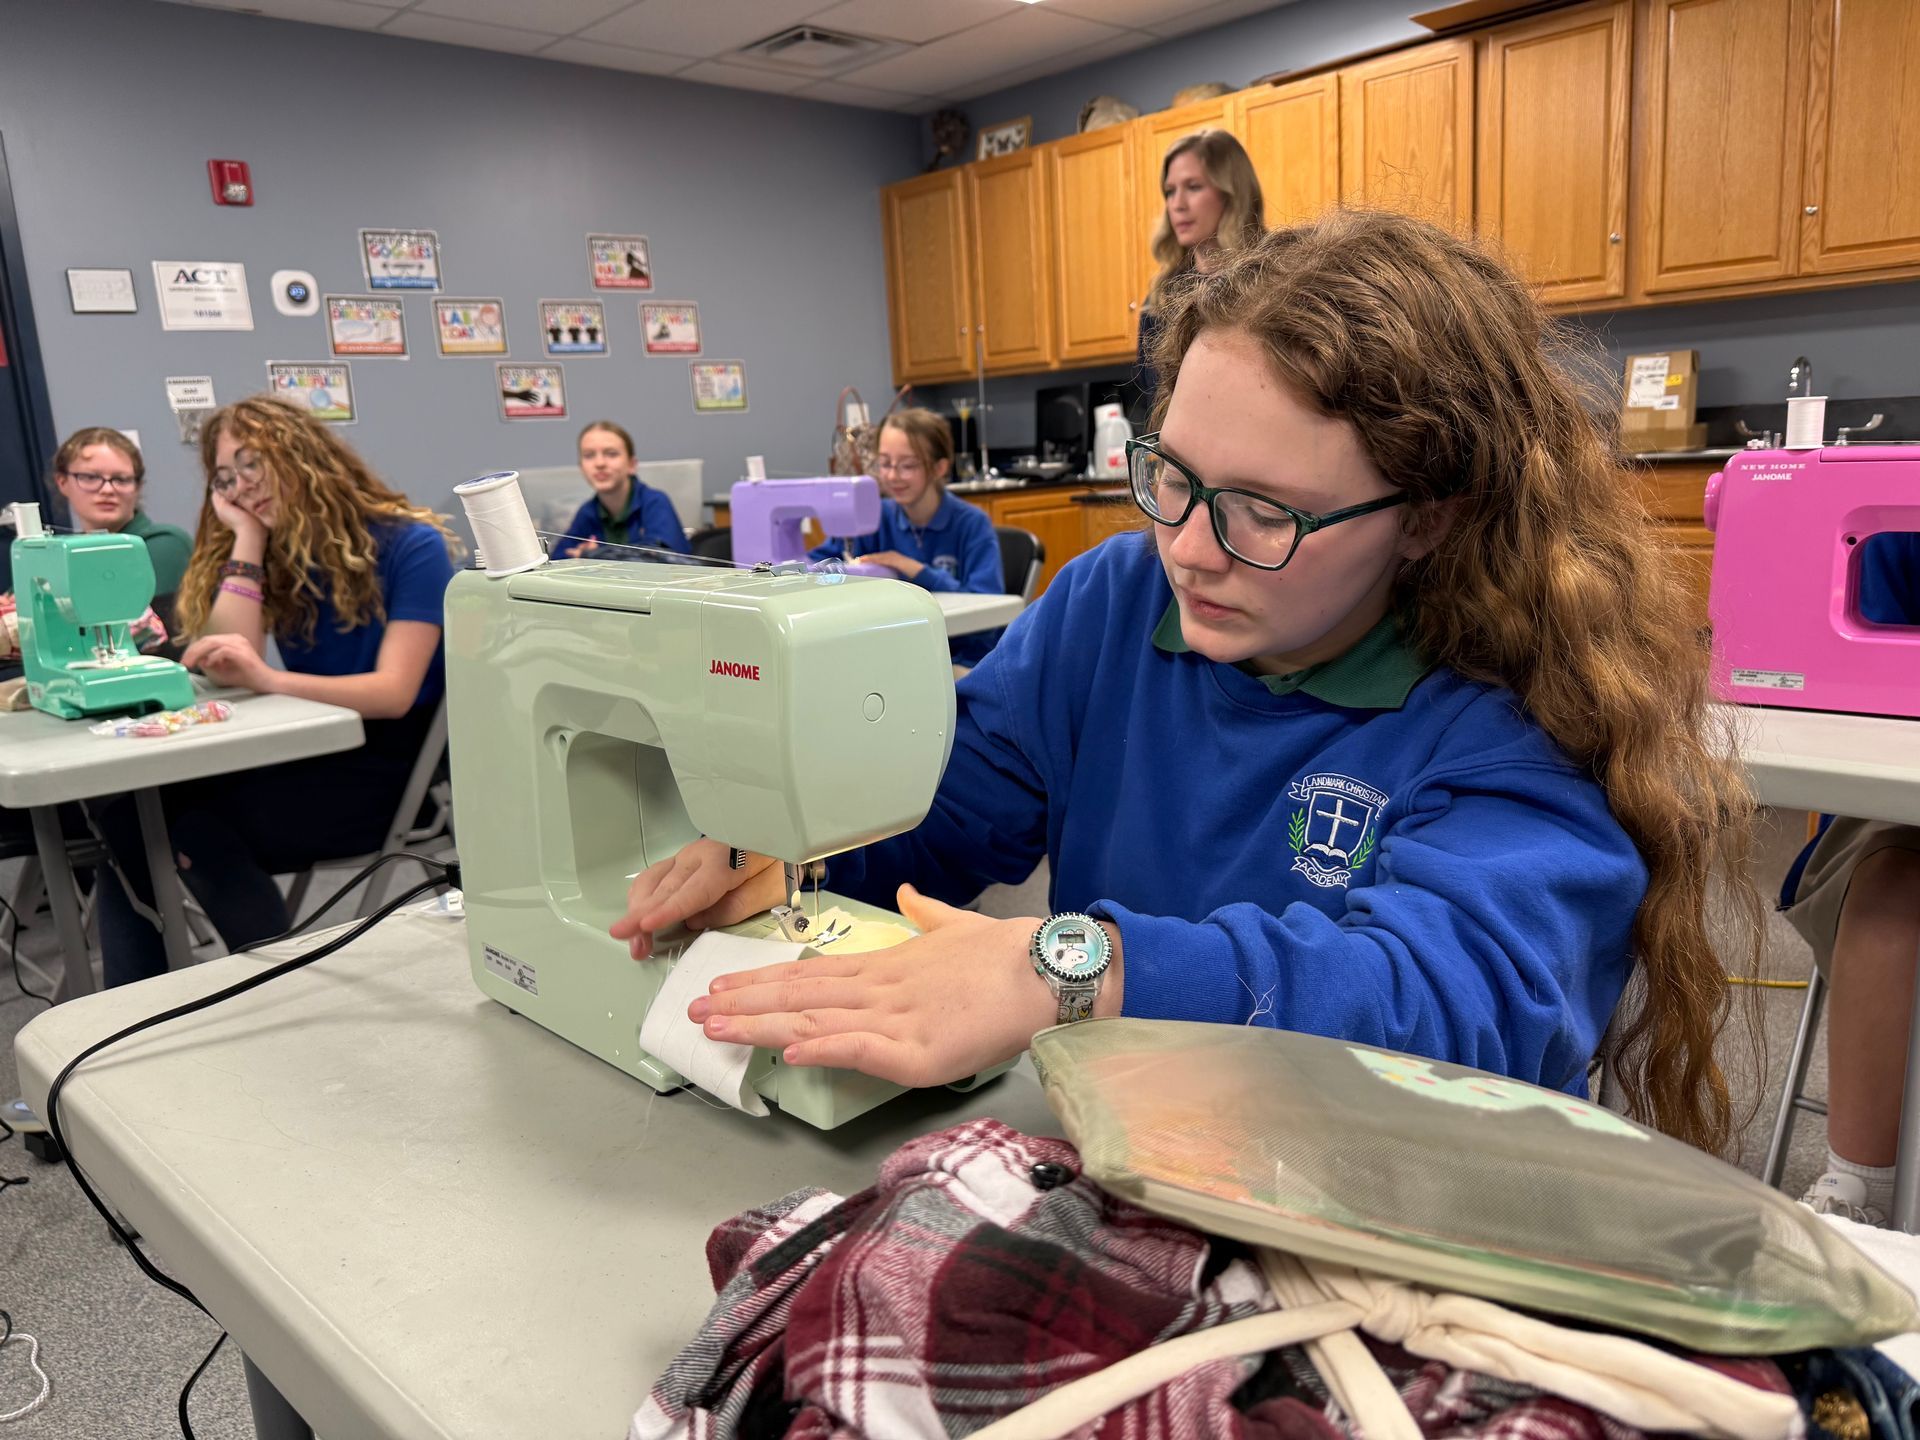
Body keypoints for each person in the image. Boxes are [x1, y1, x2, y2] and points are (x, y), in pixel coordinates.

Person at [611, 210, 1764, 1157]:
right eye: (1172, 477)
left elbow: (1450, 1010)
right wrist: (791, 846)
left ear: (1430, 518)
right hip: (1141, 1156)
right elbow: (947, 806)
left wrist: (1073, 965)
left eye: (1267, 510)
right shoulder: (1118, 599)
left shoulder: (1515, 701)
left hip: (1386, 1199)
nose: (1192, 549)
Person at [90, 395, 459, 988]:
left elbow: (393, 692)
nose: (241, 485)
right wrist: (248, 538)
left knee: (169, 826)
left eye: (252, 463)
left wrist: (269, 681)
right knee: (129, 815)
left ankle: (281, 988)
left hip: (391, 773)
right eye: (225, 476)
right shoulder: (283, 552)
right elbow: (227, 659)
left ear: (299, 454)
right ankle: (152, 1009)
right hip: (314, 750)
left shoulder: (409, 544)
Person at [1786, 530, 1920, 1223]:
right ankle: (1858, 1189)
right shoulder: (1896, 528)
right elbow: (1855, 684)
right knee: (1893, 897)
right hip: (1896, 812)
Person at [809, 407, 1006, 668]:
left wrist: (914, 570)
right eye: (885, 463)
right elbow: (818, 563)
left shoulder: (972, 525)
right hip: (896, 654)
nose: (892, 475)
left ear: (939, 467)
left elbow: (987, 606)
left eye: (907, 466)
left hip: (960, 660)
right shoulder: (874, 518)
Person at [1134, 130, 1265, 415]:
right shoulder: (1161, 300)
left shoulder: (1272, 278)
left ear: (1231, 193)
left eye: (1193, 187)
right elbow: (1155, 410)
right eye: (1170, 191)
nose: (1177, 204)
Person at [51, 427, 192, 598]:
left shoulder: (164, 545)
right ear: (63, 482)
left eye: (121, 479)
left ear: (137, 487)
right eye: (90, 477)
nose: (108, 490)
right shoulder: (60, 556)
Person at [549, 420, 689, 560]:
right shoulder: (587, 512)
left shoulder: (655, 502)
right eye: (589, 455)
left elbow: (661, 560)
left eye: (611, 453)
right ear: (581, 467)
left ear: (631, 465)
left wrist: (590, 554)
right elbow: (557, 560)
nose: (600, 463)